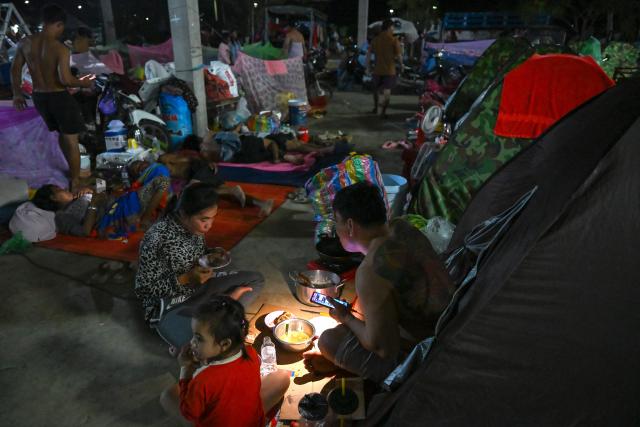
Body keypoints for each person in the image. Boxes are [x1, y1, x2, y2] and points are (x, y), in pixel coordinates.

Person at [303, 182, 455, 383]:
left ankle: (345, 367)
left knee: (329, 341)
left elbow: (383, 348)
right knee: (361, 312)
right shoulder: (402, 226)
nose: (335, 230)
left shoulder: (371, 270)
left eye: (337, 221)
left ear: (350, 226)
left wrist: (345, 317)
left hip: (431, 354)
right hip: (451, 321)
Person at [135, 182, 265, 348]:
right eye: (204, 219)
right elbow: (144, 290)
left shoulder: (194, 228)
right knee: (195, 347)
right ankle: (222, 312)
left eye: (212, 218)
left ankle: (219, 314)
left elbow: (199, 253)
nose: (209, 225)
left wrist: (213, 254)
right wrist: (185, 279)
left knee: (255, 280)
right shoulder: (156, 238)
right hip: (173, 304)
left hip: (201, 289)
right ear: (183, 213)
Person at [160, 296, 291, 427]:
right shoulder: (251, 353)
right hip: (252, 421)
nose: (192, 342)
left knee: (167, 396)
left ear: (225, 344)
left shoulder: (203, 380)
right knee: (283, 376)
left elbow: (188, 413)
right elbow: (227, 377)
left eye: (199, 338)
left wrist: (186, 370)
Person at [11, 5, 94, 192]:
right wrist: (84, 83)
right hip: (59, 97)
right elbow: (65, 79)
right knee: (71, 140)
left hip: (40, 97)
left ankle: (68, 170)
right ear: (58, 24)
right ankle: (75, 180)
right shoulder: (60, 48)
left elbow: (15, 69)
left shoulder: (25, 42)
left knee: (61, 135)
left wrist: (17, 93)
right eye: (62, 27)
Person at [156, 136, 275, 217]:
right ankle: (262, 203)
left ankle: (230, 190)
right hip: (204, 171)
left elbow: (191, 159)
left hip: (199, 170)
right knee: (229, 196)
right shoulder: (174, 161)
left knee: (195, 192)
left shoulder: (166, 159)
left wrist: (205, 164)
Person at [366, 19, 402, 119]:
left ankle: (375, 108)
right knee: (387, 91)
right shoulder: (394, 40)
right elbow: (399, 56)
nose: (394, 29)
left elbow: (368, 54)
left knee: (375, 90)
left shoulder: (376, 39)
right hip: (390, 70)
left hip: (377, 69)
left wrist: (367, 67)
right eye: (393, 27)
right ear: (390, 27)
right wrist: (402, 65)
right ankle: (383, 112)